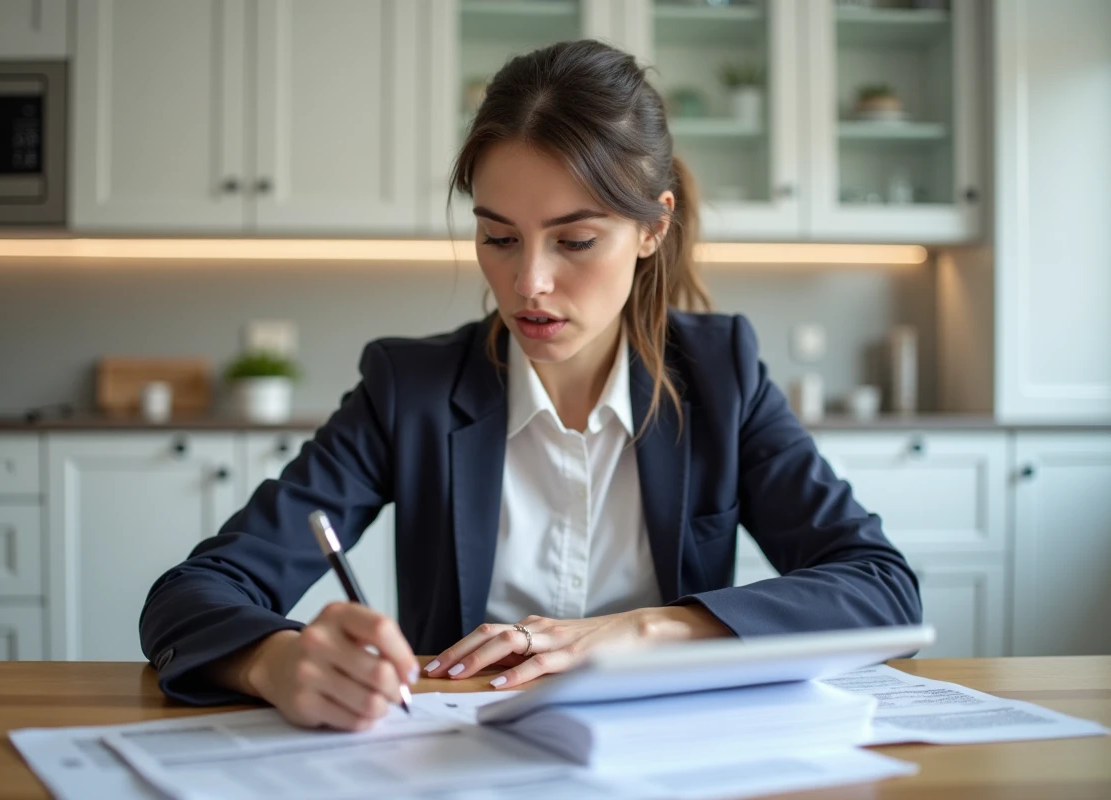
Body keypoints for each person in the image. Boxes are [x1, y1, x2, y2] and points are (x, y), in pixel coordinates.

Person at [140, 39, 921, 732]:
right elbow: (192, 594)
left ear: (653, 228)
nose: (529, 283)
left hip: (670, 762)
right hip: (461, 764)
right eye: (498, 238)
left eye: (575, 239)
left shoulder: (722, 377)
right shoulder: (407, 390)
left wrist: (642, 631)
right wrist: (277, 662)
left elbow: (880, 587)